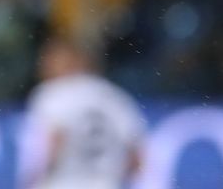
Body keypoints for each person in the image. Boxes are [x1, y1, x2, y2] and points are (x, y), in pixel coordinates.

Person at [23, 36, 145, 189]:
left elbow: (53, 144)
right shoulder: (119, 98)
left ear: (75, 61)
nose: (44, 64)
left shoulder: (52, 93)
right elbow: (136, 160)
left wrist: (35, 181)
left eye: (51, 59)